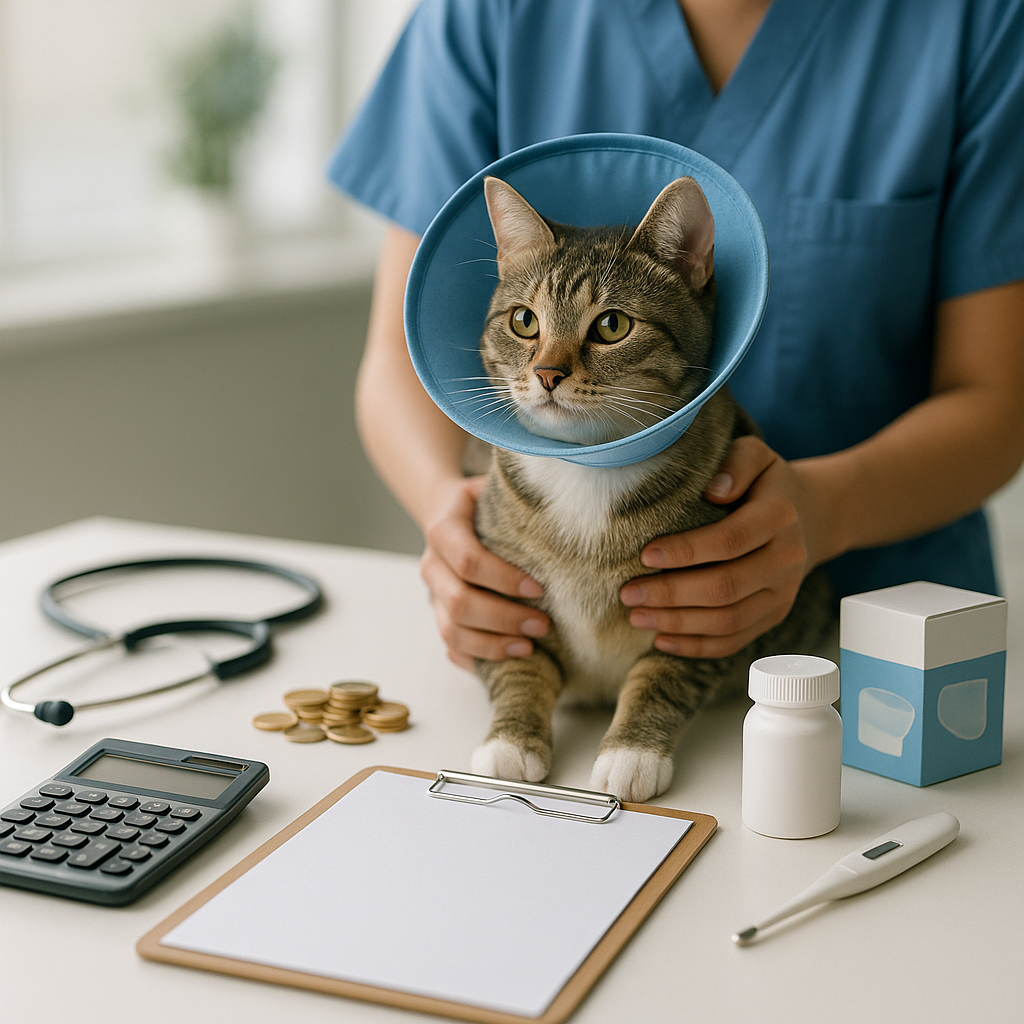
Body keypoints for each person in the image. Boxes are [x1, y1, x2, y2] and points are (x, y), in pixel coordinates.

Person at [329, 0, 1024, 670]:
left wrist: (826, 512)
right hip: (554, 636)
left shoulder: (980, 20)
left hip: (892, 642)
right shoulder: (486, 13)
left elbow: (998, 402)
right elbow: (401, 356)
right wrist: (448, 513)